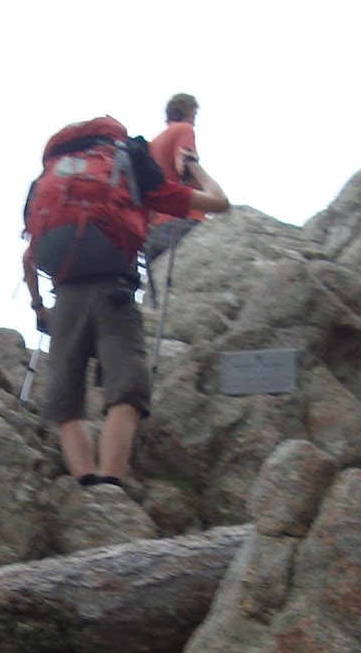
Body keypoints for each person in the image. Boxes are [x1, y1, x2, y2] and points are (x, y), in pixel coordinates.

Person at [22, 117, 229, 490]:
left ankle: (84, 480)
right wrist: (192, 165)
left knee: (65, 399)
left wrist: (39, 308)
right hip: (113, 291)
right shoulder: (131, 168)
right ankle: (110, 483)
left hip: (65, 293)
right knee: (127, 386)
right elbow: (219, 202)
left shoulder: (51, 180)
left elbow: (29, 256)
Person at [141, 94, 206, 297]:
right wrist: (208, 195)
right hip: (183, 222)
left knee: (162, 296)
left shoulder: (152, 145)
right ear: (187, 110)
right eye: (194, 112)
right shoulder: (184, 129)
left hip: (154, 231)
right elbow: (185, 164)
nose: (195, 117)